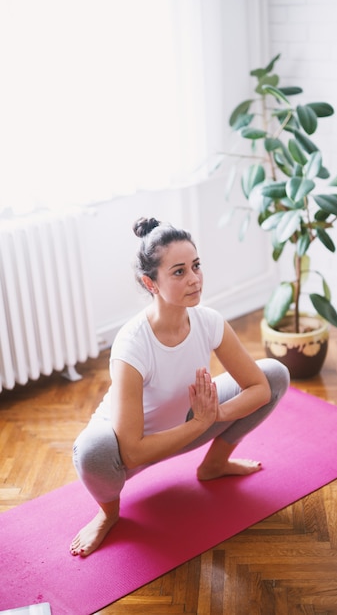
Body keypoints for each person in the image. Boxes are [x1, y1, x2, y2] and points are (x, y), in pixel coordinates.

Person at [70, 217, 290, 556]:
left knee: (275, 373)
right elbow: (131, 451)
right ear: (151, 282)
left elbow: (259, 388)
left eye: (196, 266)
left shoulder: (209, 321)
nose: (195, 279)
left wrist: (216, 413)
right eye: (179, 272)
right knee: (90, 451)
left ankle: (214, 465)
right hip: (132, 448)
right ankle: (108, 513)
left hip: (190, 421)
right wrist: (203, 422)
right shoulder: (131, 344)